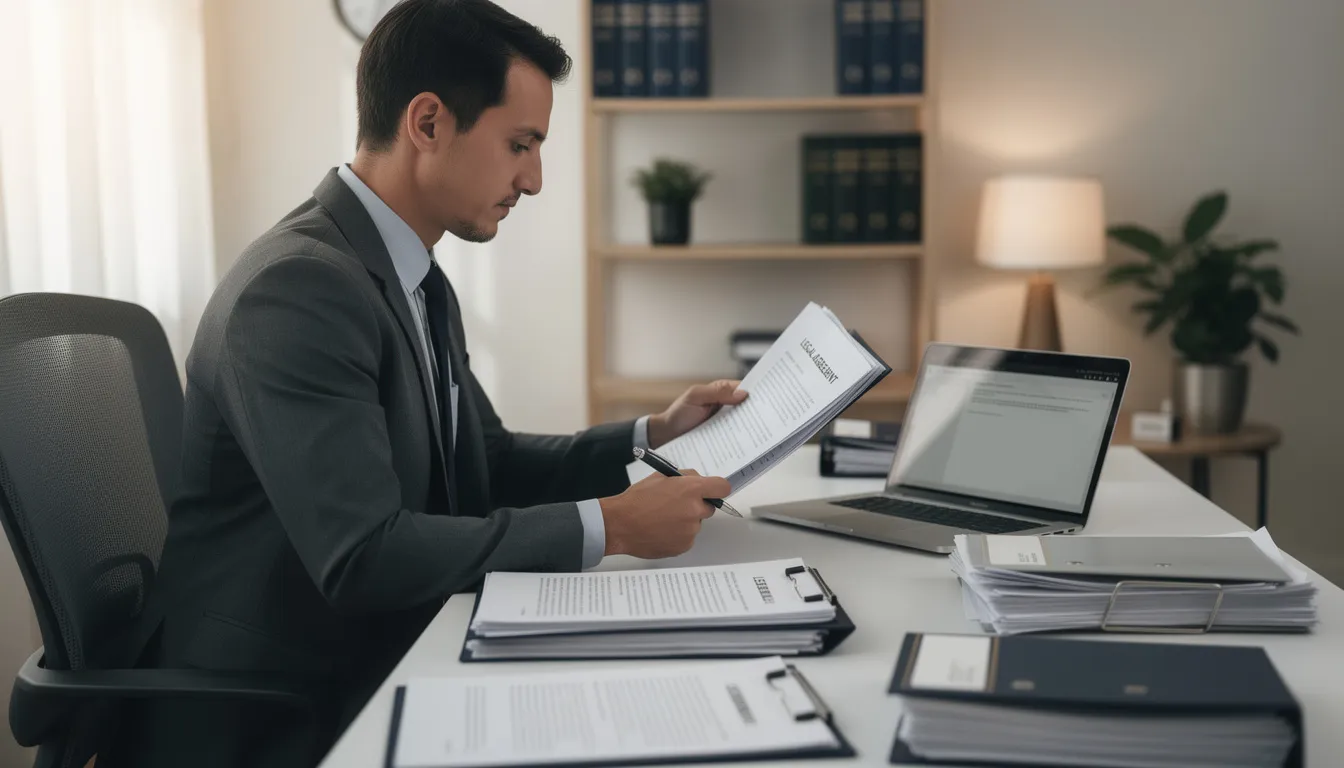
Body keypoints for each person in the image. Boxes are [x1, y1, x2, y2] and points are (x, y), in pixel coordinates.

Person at [119, 1, 745, 765]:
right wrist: (610, 526)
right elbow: (364, 555)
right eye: (520, 144)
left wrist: (652, 434)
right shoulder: (298, 291)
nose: (535, 179)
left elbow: (483, 459)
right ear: (427, 123)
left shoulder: (409, 272)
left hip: (379, 651)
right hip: (283, 703)